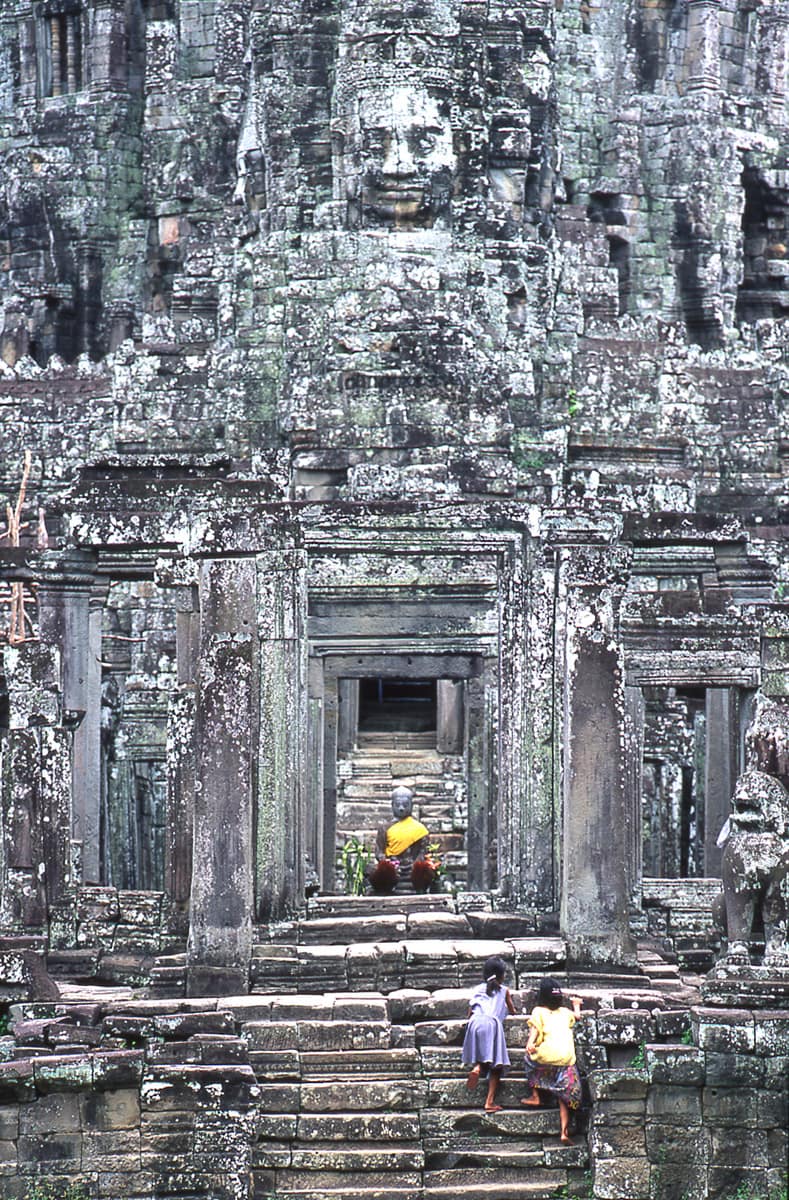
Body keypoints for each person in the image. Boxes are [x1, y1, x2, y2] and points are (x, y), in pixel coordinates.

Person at [521, 977, 584, 1143]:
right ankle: (564, 1132)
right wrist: (576, 1004)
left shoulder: (538, 1011)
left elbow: (534, 1032)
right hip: (566, 1059)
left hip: (546, 1057)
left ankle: (536, 1095)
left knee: (529, 1060)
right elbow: (577, 1017)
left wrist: (530, 1045)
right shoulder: (565, 1012)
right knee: (562, 1098)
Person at [462, 955, 516, 1113]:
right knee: (496, 1065)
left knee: (483, 1052)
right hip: (491, 1023)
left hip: (475, 1022)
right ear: (502, 975)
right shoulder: (504, 991)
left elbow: (470, 1010)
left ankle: (478, 1066)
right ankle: (489, 1101)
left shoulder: (477, 989)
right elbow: (512, 1010)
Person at [367, 785, 430, 892]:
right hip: (392, 869)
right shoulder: (384, 828)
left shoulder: (419, 829)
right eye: (398, 805)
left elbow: (423, 851)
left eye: (405, 805)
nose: (401, 808)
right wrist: (389, 863)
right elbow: (379, 852)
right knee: (373, 870)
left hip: (412, 869)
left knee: (425, 870)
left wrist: (416, 864)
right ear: (392, 805)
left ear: (411, 805)